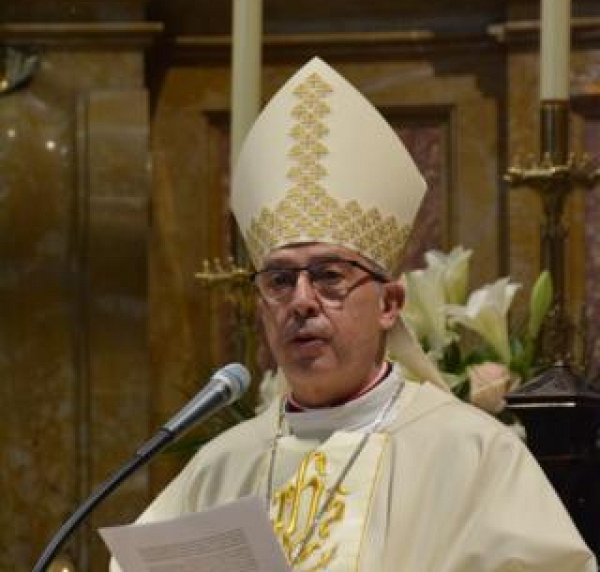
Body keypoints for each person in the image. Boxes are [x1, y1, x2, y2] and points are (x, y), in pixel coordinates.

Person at [110, 58, 596, 571]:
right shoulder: (222, 465)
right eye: (279, 280)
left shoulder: (471, 454)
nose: (301, 300)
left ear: (389, 305)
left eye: (329, 276)